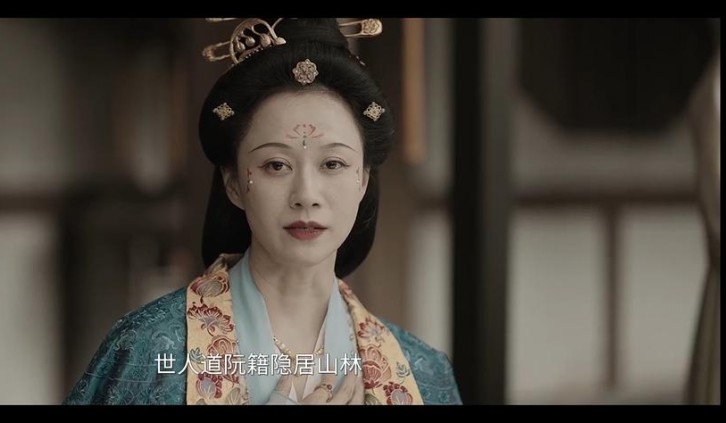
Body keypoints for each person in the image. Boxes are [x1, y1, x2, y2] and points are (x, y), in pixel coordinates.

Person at [63, 18, 462, 405]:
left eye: (333, 164)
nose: (306, 196)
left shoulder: (421, 373)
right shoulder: (151, 351)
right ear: (234, 183)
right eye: (276, 165)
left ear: (362, 180)